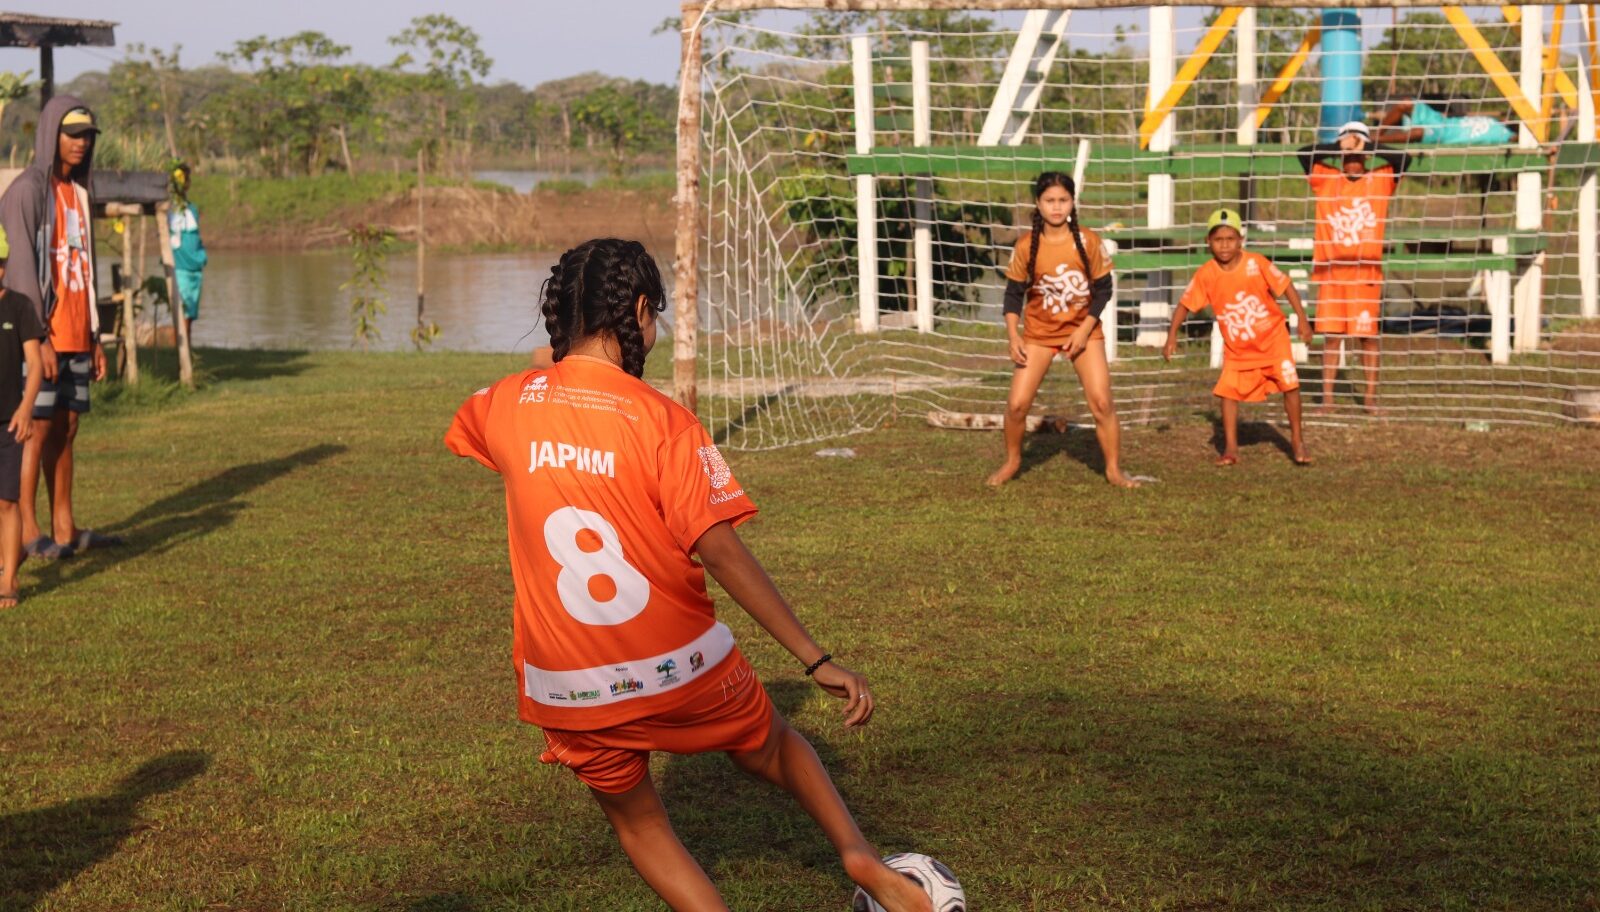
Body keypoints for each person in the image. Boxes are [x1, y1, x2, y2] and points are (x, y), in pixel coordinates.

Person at [444, 238, 932, 912]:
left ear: (562, 313)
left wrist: (553, 373)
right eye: (654, 317)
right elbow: (723, 552)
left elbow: (505, 399)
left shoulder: (507, 403)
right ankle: (859, 857)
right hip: (680, 664)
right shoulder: (664, 423)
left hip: (569, 684)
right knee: (776, 746)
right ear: (639, 311)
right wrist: (816, 659)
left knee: (642, 824)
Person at [0, 97, 120, 560]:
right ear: (51, 133)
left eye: (88, 135)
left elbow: (86, 267)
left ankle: (65, 526)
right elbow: (21, 268)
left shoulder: (81, 193)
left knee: (68, 427)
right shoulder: (29, 190)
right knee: (36, 427)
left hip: (76, 331)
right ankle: (28, 530)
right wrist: (38, 340)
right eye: (72, 134)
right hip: (42, 334)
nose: (81, 143)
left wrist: (94, 336)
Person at [987, 171, 1139, 488]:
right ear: (1038, 204)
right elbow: (1013, 295)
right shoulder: (1027, 245)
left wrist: (1084, 331)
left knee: (1102, 402)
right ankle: (1013, 460)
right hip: (1039, 335)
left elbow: (1104, 290)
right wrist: (1013, 335)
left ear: (1072, 202)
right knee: (1016, 406)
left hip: (1083, 334)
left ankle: (1113, 469)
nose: (1057, 207)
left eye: (1063, 200)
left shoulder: (1088, 241)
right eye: (1049, 200)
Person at [1162, 209, 1314, 466]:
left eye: (1230, 239)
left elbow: (1286, 285)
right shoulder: (1206, 274)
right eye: (1218, 239)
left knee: (1290, 386)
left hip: (1273, 340)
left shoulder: (1256, 263)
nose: (1224, 245)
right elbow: (1184, 304)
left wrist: (1302, 319)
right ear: (1207, 242)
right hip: (1239, 348)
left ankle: (1297, 441)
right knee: (1228, 393)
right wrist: (1171, 336)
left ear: (1240, 240)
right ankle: (1231, 448)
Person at [1299, 122, 1410, 415]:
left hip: (1366, 276)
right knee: (1332, 337)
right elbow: (1302, 155)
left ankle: (1370, 398)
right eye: (1348, 156)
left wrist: (1365, 144)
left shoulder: (1380, 180)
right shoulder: (1326, 179)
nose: (1353, 161)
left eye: (1358, 155)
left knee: (1367, 337)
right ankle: (1328, 399)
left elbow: (1404, 159)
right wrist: (1340, 147)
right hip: (1331, 275)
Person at [0, 225, 47, 608]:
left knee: (7, 502)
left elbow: (34, 363)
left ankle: (10, 580)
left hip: (9, 421)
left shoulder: (19, 307)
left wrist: (26, 408)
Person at [1374, 96, 1517, 146]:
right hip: (1439, 119)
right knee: (1406, 103)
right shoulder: (1498, 122)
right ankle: (1377, 134)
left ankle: (1377, 141)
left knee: (1418, 133)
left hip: (1444, 134)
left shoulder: (1507, 136)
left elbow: (1522, 138)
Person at [167, 161, 207, 342]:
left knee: (190, 314)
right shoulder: (169, 209)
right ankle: (181, 353)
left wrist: (201, 257)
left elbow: (195, 236)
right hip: (180, 268)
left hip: (195, 267)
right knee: (181, 312)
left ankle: (187, 350)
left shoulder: (192, 209)